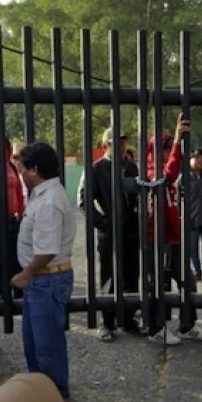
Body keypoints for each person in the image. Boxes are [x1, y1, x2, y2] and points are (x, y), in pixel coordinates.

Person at [11, 142, 77, 400]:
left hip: (46, 279)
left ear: (34, 169)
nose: (21, 174)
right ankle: (43, 393)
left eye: (22, 169)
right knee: (36, 342)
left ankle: (53, 397)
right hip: (42, 280)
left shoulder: (49, 201)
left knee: (46, 345)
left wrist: (25, 274)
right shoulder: (45, 194)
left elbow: (47, 249)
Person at [143, 116, 202, 345]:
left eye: (168, 149)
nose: (166, 153)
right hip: (156, 239)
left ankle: (187, 325)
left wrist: (178, 142)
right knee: (157, 286)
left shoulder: (164, 168)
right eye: (162, 148)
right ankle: (156, 329)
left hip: (173, 237)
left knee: (187, 281)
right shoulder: (151, 172)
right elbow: (169, 174)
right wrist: (178, 139)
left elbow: (175, 168)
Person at [77, 128, 142, 342]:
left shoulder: (131, 167)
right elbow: (84, 201)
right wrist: (103, 223)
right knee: (109, 277)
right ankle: (107, 323)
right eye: (116, 143)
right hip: (109, 232)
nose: (122, 147)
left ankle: (129, 319)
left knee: (132, 275)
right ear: (105, 146)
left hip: (131, 231)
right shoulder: (96, 169)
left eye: (124, 142)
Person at [0, 130, 27, 300]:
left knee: (17, 257)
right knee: (0, 261)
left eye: (3, 144)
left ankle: (18, 293)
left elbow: (18, 191)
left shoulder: (11, 167)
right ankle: (4, 294)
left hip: (13, 220)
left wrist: (22, 214)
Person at [188, 147, 202, 280]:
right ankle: (196, 271)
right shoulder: (184, 177)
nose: (200, 160)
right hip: (191, 218)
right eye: (197, 158)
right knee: (192, 248)